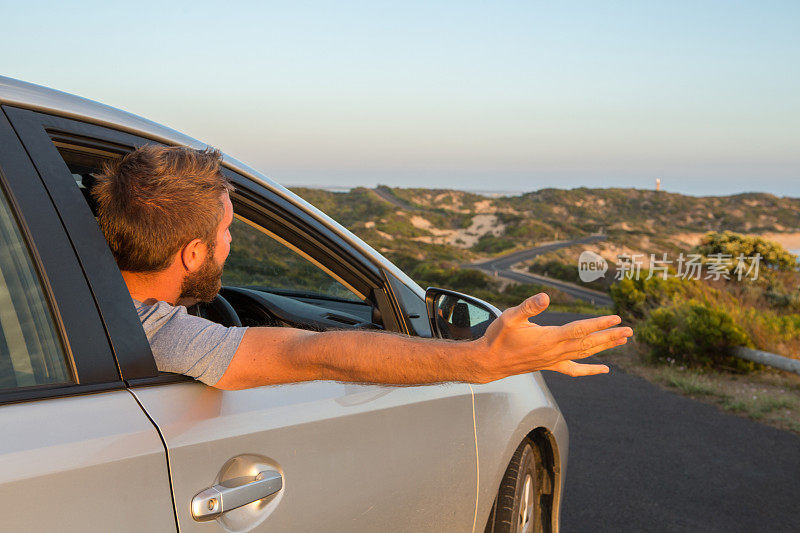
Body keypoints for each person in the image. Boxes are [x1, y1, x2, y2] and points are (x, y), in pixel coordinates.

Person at [92, 145, 632, 390]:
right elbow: (317, 352)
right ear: (190, 254)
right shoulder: (158, 335)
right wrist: (481, 360)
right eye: (225, 233)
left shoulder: (77, 305)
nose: (231, 243)